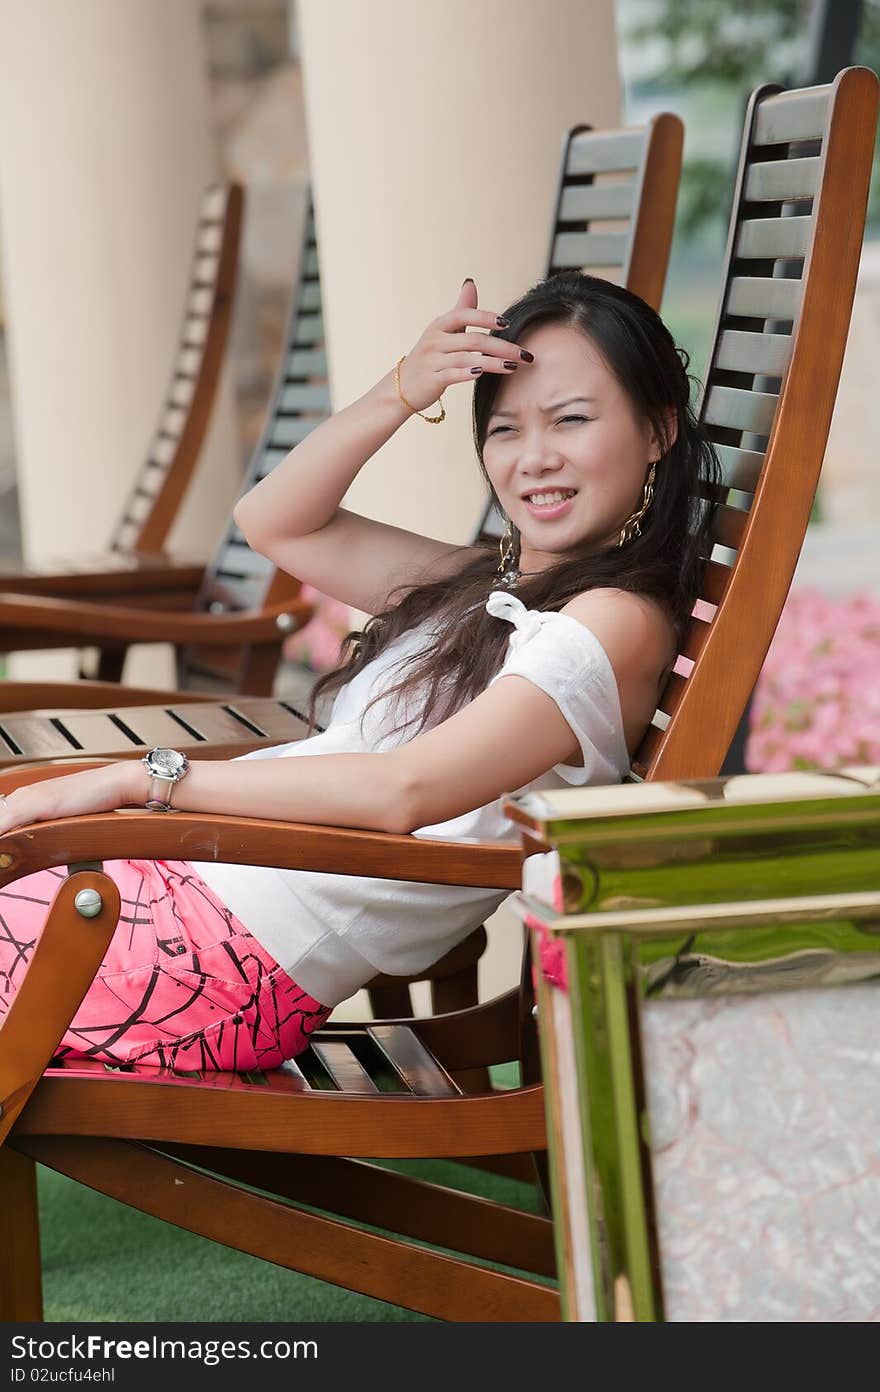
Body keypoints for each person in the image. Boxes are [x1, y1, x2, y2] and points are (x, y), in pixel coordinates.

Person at [0, 272, 718, 1072]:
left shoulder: (610, 623)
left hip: (204, 960)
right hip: (162, 896)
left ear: (657, 432)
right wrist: (401, 392)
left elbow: (402, 791)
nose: (533, 458)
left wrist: (143, 779)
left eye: (571, 420)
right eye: (505, 428)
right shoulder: (495, 587)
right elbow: (274, 521)